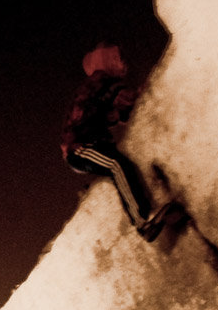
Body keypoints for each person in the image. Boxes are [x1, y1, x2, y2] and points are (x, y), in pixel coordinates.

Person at [61, 42, 169, 242]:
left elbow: (113, 112)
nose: (123, 65)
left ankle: (143, 214)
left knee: (119, 164)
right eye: (118, 60)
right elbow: (125, 102)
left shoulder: (99, 86)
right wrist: (149, 91)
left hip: (91, 143)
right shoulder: (102, 81)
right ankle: (141, 223)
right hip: (80, 147)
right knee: (116, 165)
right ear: (108, 62)